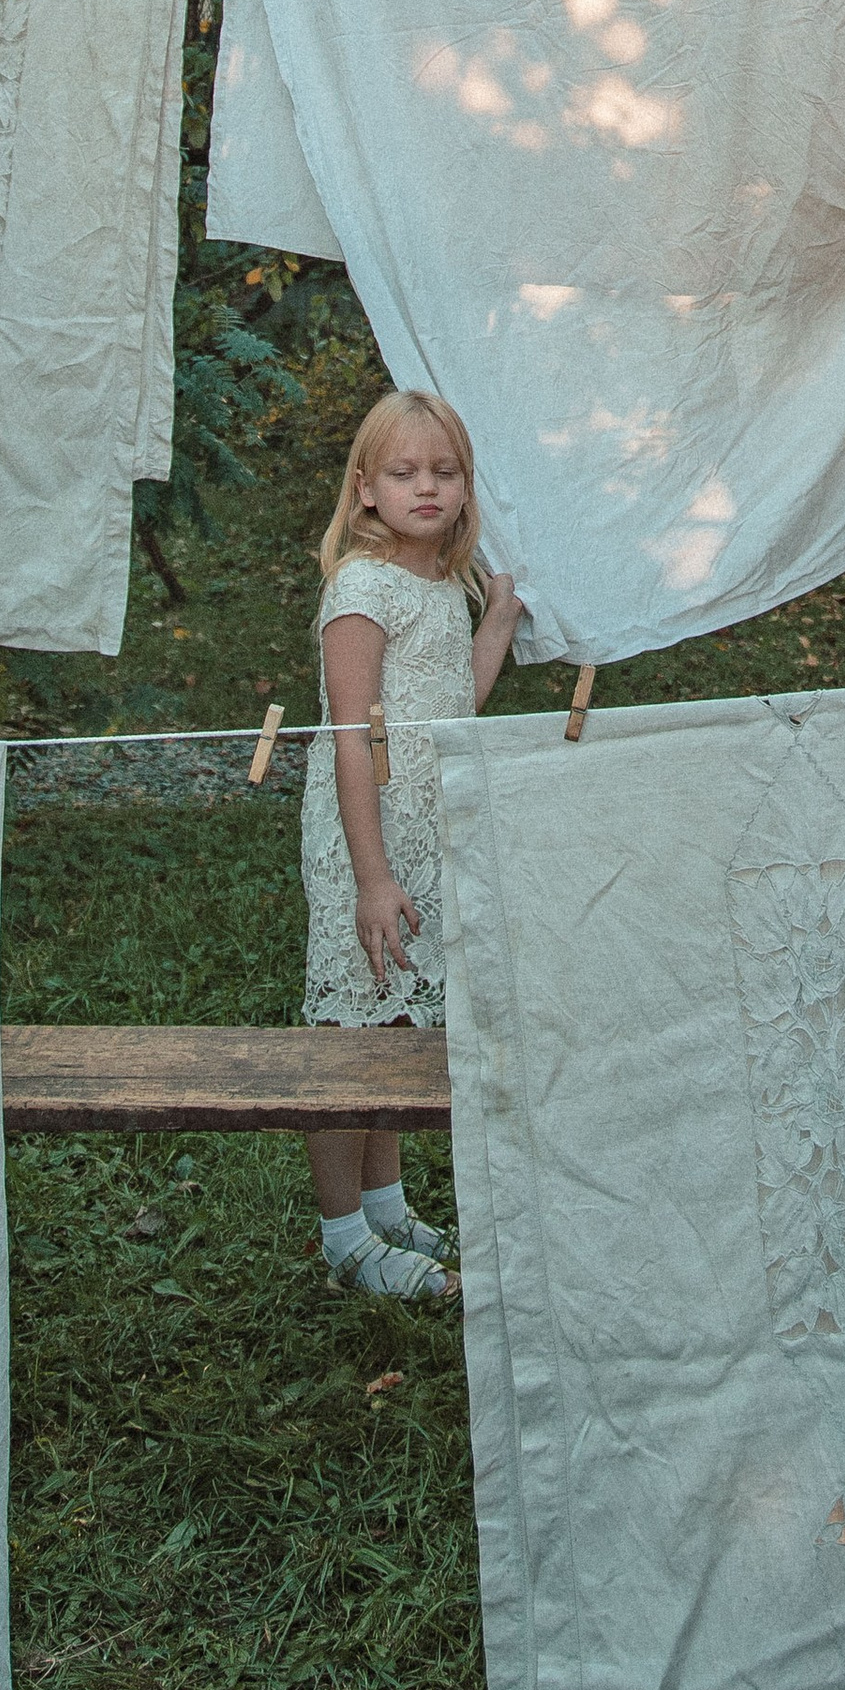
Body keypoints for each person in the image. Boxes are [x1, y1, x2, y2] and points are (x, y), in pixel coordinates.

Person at [301, 387, 522, 1300]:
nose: (426, 488)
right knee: (350, 1029)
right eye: (404, 473)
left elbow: (451, 702)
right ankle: (341, 1234)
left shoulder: (440, 587)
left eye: (445, 472)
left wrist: (500, 620)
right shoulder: (360, 589)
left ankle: (385, 1201)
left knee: (394, 1018)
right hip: (367, 834)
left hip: (424, 834)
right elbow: (353, 736)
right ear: (364, 491)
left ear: (468, 489)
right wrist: (371, 875)